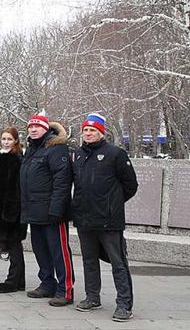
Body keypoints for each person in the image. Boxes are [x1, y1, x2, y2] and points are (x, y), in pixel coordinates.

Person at [72, 113, 138, 322]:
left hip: (109, 220)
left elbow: (130, 185)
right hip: (85, 218)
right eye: (86, 130)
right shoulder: (78, 155)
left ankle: (124, 305)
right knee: (89, 260)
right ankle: (92, 297)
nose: (88, 134)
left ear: (101, 133)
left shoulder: (115, 154)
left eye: (93, 130)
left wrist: (113, 203)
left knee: (118, 263)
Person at [20, 114, 75, 307]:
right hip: (34, 210)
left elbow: (62, 181)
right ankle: (47, 282)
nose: (33, 130)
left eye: (37, 127)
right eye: (30, 127)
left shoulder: (56, 148)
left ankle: (65, 289)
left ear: (46, 128)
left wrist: (57, 209)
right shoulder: (32, 149)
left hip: (52, 212)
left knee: (59, 251)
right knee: (40, 249)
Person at [0, 127, 28, 294]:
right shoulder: (4, 157)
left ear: (16, 141)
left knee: (14, 245)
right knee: (14, 245)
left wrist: (10, 212)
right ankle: (19, 280)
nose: (5, 142)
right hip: (3, 207)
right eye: (3, 139)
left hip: (10, 209)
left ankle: (13, 279)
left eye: (9, 139)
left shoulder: (14, 159)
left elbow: (14, 188)